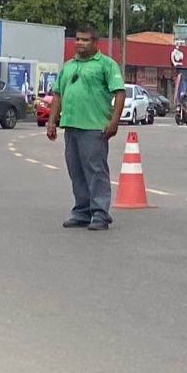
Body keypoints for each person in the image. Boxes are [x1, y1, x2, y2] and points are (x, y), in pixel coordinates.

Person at [46, 24, 126, 232]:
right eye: (78, 39)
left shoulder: (106, 65)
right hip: (71, 125)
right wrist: (52, 121)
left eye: (85, 39)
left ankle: (100, 213)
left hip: (94, 127)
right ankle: (82, 211)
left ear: (95, 42)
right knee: (76, 170)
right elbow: (58, 94)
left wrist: (114, 121)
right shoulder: (69, 66)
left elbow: (119, 92)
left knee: (95, 170)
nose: (80, 43)